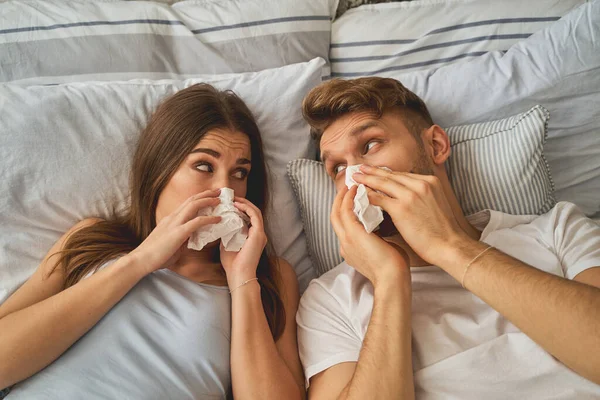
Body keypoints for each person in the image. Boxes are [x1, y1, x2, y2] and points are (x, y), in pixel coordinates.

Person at [296, 77, 600, 399]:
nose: (356, 179)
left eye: (370, 145)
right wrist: (389, 279)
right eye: (339, 169)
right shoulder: (330, 299)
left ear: (436, 145)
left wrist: (449, 246)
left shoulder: (557, 231)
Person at [0, 84, 305, 399]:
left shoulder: (269, 278)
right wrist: (139, 262)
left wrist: (242, 281)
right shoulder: (90, 241)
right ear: (160, 166)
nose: (223, 190)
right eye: (204, 166)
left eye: (239, 173)